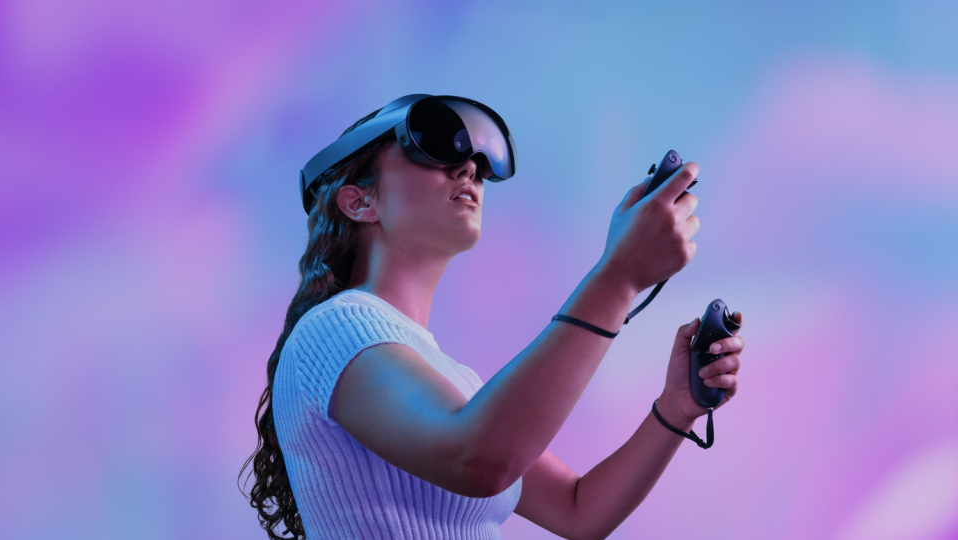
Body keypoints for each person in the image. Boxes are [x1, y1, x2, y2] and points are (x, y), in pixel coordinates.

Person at [240, 96, 745, 540]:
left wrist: (676, 409)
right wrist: (619, 278)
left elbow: (579, 511)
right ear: (360, 201)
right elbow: (480, 460)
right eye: (434, 145)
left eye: (480, 162)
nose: (469, 170)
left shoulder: (451, 381)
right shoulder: (333, 330)